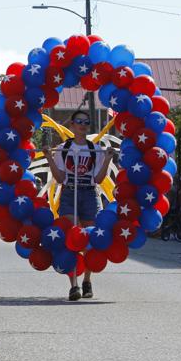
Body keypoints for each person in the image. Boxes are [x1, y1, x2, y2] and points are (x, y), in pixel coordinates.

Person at [43, 110, 114, 301]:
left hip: (89, 193)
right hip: (69, 193)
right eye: (79, 121)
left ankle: (87, 281)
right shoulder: (64, 148)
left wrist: (107, 158)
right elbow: (59, 178)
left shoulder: (94, 149)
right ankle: (73, 284)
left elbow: (98, 179)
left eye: (86, 122)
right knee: (71, 237)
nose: (83, 125)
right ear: (72, 125)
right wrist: (49, 157)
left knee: (90, 238)